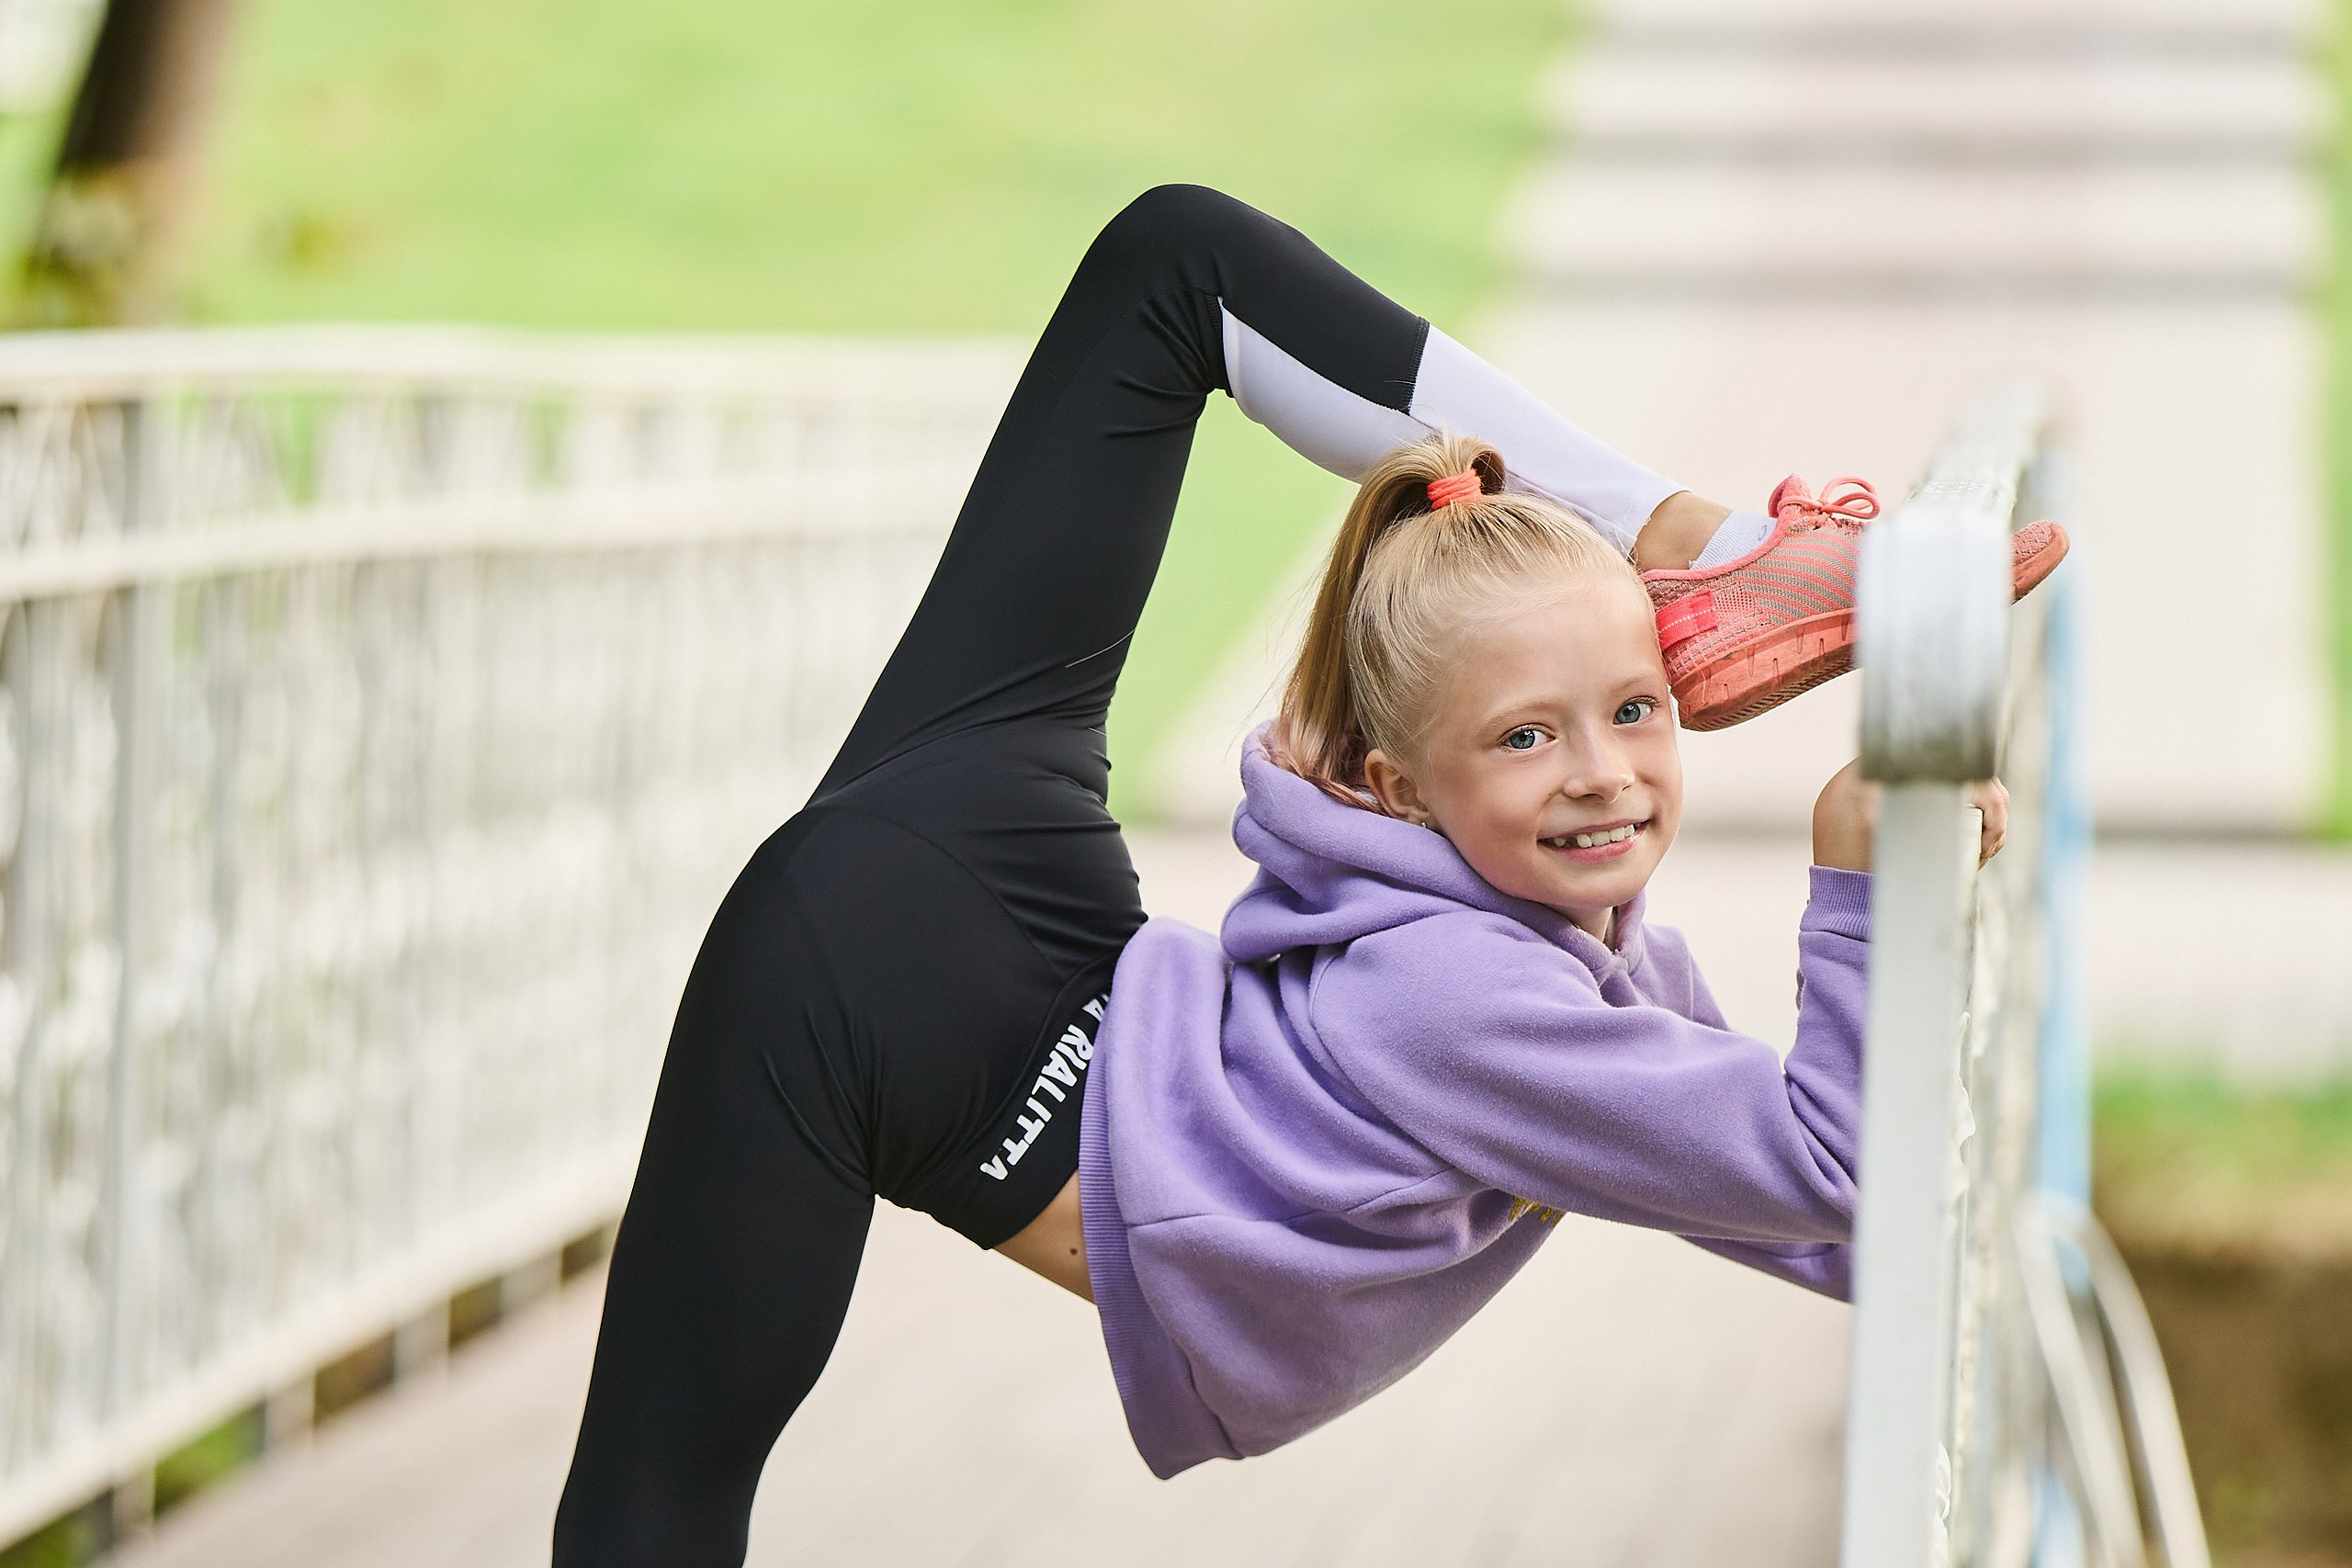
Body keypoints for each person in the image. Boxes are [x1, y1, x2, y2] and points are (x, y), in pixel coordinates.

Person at [552, 185, 2063, 1561]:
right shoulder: (1466, 1001)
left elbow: (1815, 1216)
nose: (1602, 770)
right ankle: (1710, 553)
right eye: (1531, 731)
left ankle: (1706, 554)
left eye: (1633, 709)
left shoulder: (1558, 951)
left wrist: (1919, 892)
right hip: (884, 1004)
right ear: (1402, 789)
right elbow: (1842, 1180)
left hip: (991, 861)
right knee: (659, 1510)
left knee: (1174, 263)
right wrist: (1861, 881)